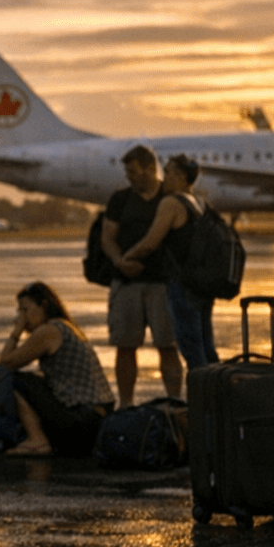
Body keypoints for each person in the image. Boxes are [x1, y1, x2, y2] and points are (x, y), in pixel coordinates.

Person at [99, 144, 183, 407]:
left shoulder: (170, 198)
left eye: (133, 171)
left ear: (150, 169)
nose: (129, 177)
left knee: (168, 346)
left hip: (163, 284)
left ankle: (174, 402)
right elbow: (107, 238)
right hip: (127, 284)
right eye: (127, 172)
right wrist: (120, 262)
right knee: (125, 347)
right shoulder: (120, 199)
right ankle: (126, 404)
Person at [121, 154, 220, 371]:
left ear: (180, 176)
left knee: (192, 349)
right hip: (203, 284)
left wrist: (126, 258)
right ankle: (218, 397)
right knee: (207, 347)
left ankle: (202, 400)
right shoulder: (200, 203)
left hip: (183, 285)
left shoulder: (171, 203)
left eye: (167, 172)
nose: (163, 178)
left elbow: (150, 242)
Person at [0, 281, 116, 457]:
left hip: (83, 421)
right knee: (34, 379)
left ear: (43, 305)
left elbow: (5, 364)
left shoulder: (49, 331)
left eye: (24, 310)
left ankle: (37, 440)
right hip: (96, 419)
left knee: (12, 380)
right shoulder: (66, 326)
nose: (21, 316)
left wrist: (16, 331)